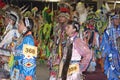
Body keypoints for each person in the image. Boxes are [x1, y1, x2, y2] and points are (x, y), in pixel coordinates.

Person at [49, 2, 71, 80]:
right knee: (54, 71)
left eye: (63, 17)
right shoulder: (57, 27)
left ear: (67, 18)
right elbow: (54, 40)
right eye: (60, 17)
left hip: (66, 53)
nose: (61, 18)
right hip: (57, 53)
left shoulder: (69, 28)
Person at [100, 13, 120, 80]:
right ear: (111, 20)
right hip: (111, 58)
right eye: (116, 18)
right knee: (112, 76)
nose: (118, 20)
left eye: (119, 18)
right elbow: (105, 47)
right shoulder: (108, 32)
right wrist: (102, 63)